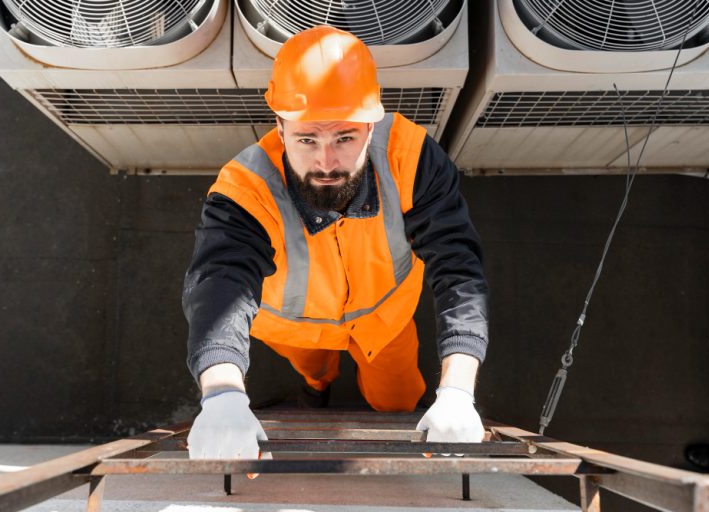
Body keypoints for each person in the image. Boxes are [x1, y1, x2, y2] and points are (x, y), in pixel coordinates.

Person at [183, 25, 489, 460]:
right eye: (307, 139)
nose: (325, 163)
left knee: (398, 399)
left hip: (385, 318)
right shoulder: (244, 189)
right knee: (314, 367)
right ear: (280, 127)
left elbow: (459, 269)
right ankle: (317, 385)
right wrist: (220, 394)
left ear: (370, 124)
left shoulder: (412, 157)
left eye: (344, 138)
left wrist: (458, 389)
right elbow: (219, 283)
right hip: (295, 326)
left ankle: (345, 387)